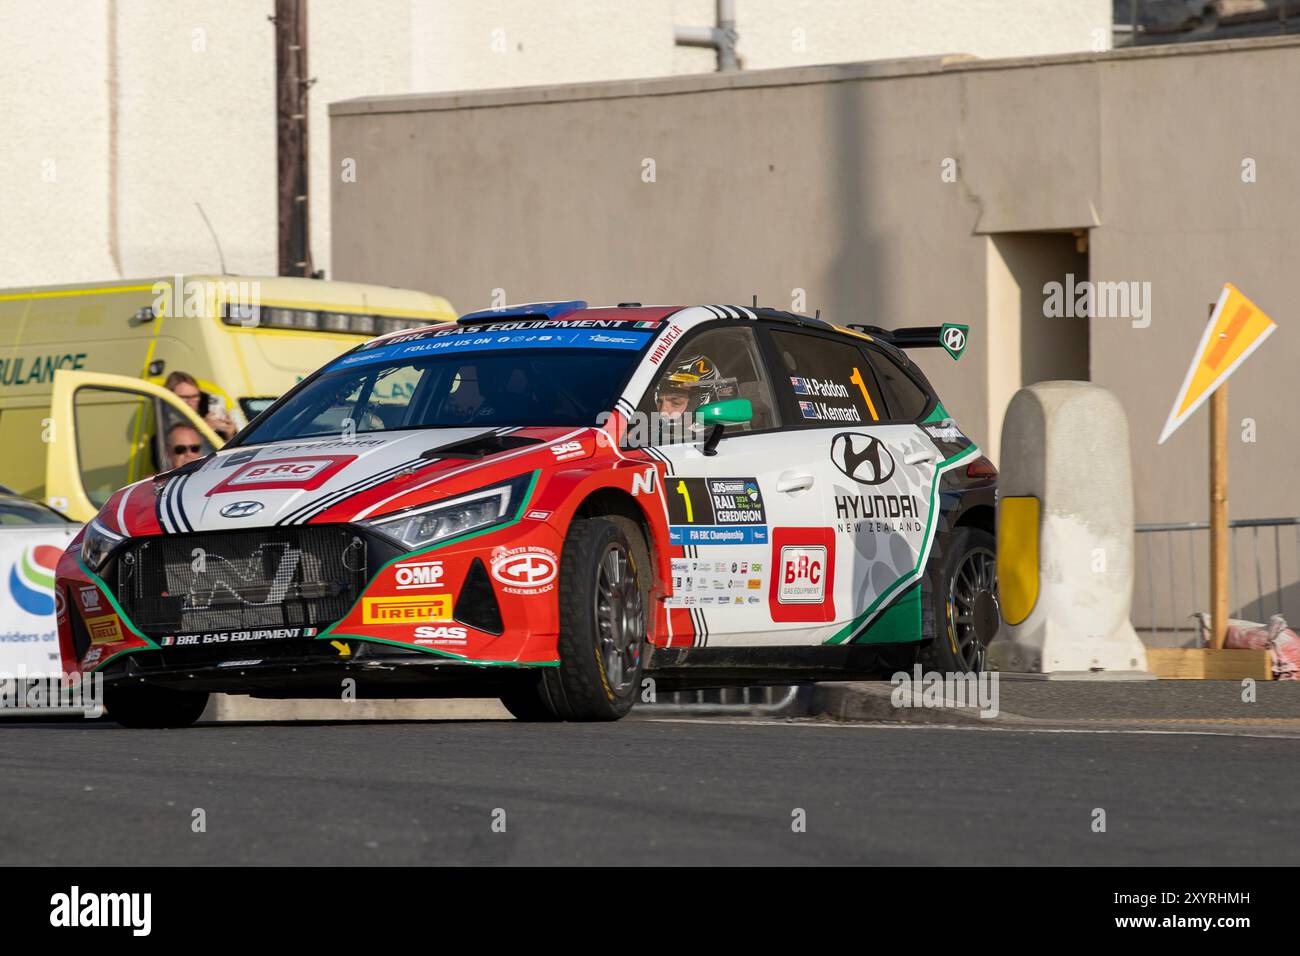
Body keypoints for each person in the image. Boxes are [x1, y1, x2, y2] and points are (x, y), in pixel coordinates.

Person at [165, 370, 235, 440]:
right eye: (184, 397)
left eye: (195, 396)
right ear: (170, 397)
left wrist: (230, 435)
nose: (191, 402)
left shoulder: (205, 414)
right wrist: (204, 428)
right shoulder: (163, 420)